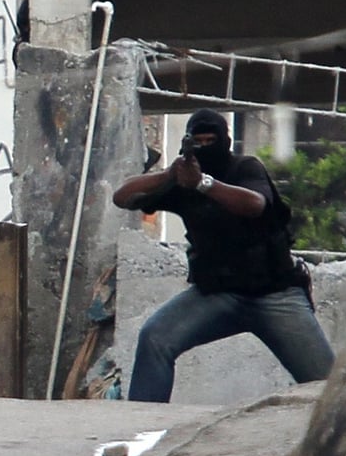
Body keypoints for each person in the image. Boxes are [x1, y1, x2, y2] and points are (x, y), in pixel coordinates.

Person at [112, 108, 334, 403]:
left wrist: (205, 184)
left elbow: (255, 205)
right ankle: (141, 431)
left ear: (225, 141)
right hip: (217, 295)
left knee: (327, 385)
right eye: (198, 141)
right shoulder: (181, 183)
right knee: (155, 338)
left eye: (210, 140)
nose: (205, 147)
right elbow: (123, 196)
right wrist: (170, 174)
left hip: (275, 294)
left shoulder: (244, 168)